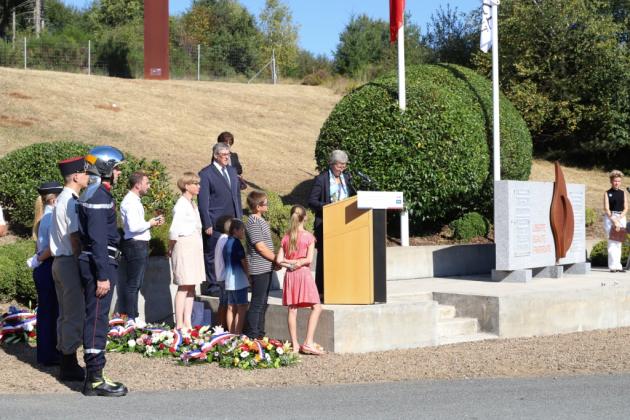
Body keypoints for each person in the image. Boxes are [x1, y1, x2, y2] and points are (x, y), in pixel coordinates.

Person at [77, 146, 127, 397]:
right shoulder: (98, 196)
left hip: (99, 261)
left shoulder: (96, 193)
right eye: (116, 168)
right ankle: (95, 379)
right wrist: (103, 275)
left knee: (97, 318)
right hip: (100, 263)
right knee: (97, 319)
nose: (118, 174)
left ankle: (94, 376)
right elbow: (97, 239)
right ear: (106, 168)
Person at [50, 156, 89, 382]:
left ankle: (66, 357)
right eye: (84, 173)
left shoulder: (62, 199)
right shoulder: (72, 201)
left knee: (65, 314)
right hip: (69, 261)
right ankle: (69, 363)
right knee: (73, 314)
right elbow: (75, 238)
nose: (87, 176)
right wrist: (82, 263)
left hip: (59, 262)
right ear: (76, 176)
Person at [276, 205, 324, 355]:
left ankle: (295, 344)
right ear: (305, 217)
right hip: (303, 274)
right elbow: (309, 259)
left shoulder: (286, 237)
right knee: (316, 307)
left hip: (290, 275)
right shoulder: (309, 237)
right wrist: (299, 262)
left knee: (292, 309)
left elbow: (278, 260)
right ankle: (308, 342)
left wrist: (290, 263)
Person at [198, 142, 243, 299]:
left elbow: (236, 196)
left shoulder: (231, 171)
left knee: (231, 252)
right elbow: (203, 201)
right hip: (215, 221)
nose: (227, 157)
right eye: (224, 155)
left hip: (232, 221)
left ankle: (229, 282)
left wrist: (239, 218)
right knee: (212, 254)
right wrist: (207, 223)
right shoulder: (206, 174)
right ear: (216, 156)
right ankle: (213, 285)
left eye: (228, 154)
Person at [307, 150, 355, 298]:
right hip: (326, 223)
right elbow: (312, 201)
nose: (342, 168)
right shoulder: (322, 179)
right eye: (340, 165)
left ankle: (341, 287)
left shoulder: (346, 177)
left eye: (344, 166)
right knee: (324, 258)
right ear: (332, 164)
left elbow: (352, 196)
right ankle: (321, 291)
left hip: (345, 223)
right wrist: (329, 207)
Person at [120, 171, 164, 323]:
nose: (149, 186)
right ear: (138, 185)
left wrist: (150, 223)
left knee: (136, 283)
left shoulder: (135, 200)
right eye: (147, 183)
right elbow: (133, 227)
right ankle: (131, 318)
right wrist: (150, 223)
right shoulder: (130, 202)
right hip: (135, 245)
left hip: (139, 244)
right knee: (133, 283)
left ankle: (133, 316)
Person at [31, 181, 63, 366]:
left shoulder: (46, 216)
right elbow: (52, 248)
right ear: (55, 199)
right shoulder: (51, 218)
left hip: (45, 267)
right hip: (48, 264)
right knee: (50, 312)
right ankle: (48, 354)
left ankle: (47, 352)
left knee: (48, 311)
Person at [168, 172, 205, 331]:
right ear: (186, 185)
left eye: (198, 184)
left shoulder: (192, 204)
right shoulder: (181, 204)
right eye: (195, 184)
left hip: (194, 245)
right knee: (183, 285)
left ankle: (188, 322)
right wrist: (170, 247)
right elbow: (174, 229)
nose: (198, 187)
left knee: (191, 286)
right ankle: (179, 324)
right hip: (184, 245)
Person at [244, 190, 276, 339]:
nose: (267, 204)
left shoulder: (260, 220)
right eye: (265, 203)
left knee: (263, 302)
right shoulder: (253, 222)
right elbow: (260, 247)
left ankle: (260, 335)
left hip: (266, 266)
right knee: (257, 303)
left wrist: (274, 261)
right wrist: (276, 259)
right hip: (259, 268)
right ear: (258, 206)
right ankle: (252, 335)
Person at [223, 219, 249, 334]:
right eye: (242, 230)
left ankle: (231, 333)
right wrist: (249, 275)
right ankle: (237, 334)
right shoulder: (236, 243)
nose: (243, 232)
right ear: (235, 230)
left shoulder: (226, 242)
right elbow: (243, 261)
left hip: (228, 280)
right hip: (239, 281)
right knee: (242, 307)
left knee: (231, 307)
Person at [603, 170, 628, 273]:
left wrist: (619, 218)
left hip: (621, 217)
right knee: (612, 242)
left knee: (619, 242)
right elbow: (606, 208)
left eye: (618, 181)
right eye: (615, 181)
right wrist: (613, 219)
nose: (617, 183)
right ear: (611, 181)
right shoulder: (607, 193)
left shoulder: (623, 193)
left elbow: (626, 208)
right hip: (610, 218)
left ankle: (618, 266)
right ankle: (613, 266)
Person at [213, 215, 233, 330]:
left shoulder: (221, 239)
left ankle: (220, 328)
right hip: (226, 277)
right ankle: (222, 328)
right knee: (226, 304)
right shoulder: (226, 240)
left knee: (223, 302)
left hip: (221, 276)